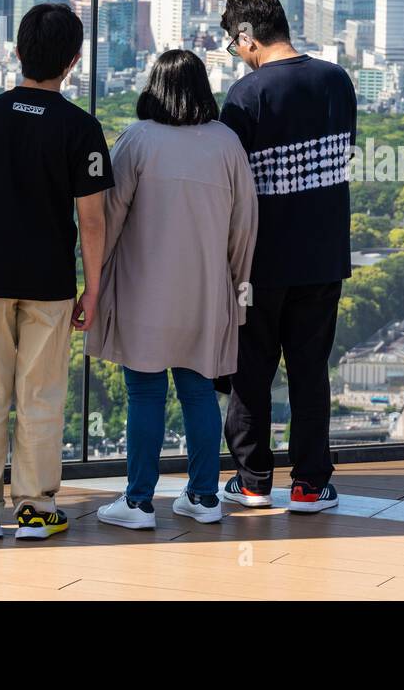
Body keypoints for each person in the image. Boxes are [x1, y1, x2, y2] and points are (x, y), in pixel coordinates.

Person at [0, 3, 112, 539]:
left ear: (17, 53)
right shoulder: (81, 128)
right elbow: (92, 220)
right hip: (51, 283)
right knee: (41, 397)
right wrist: (95, 288)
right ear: (73, 61)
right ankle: (36, 506)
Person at [86, 50, 258, 529]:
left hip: (143, 292)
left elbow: (108, 218)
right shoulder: (226, 144)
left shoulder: (138, 140)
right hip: (206, 295)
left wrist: (95, 282)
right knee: (199, 394)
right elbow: (245, 228)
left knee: (144, 395)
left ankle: (139, 503)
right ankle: (204, 498)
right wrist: (236, 288)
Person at [216, 0, 356, 513]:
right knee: (309, 369)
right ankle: (310, 483)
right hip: (322, 253)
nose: (238, 54)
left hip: (260, 260)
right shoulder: (336, 82)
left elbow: (230, 181)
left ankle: (253, 481)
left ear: (248, 37)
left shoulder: (247, 97)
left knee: (251, 371)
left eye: (235, 44)